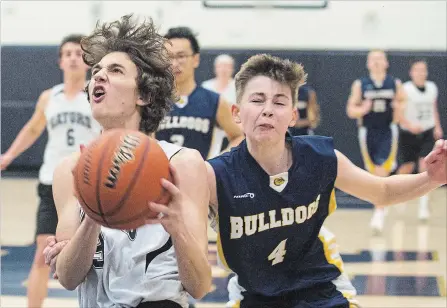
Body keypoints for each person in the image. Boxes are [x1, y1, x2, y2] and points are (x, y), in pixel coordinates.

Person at [203, 54, 444, 307]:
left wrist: (433, 178)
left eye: (279, 102)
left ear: (293, 116)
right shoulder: (215, 175)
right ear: (236, 113)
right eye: (257, 100)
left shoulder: (320, 157)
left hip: (322, 289)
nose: (268, 110)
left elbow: (381, 190)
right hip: (253, 294)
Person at [43, 15, 211, 308]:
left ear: (144, 94)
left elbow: (199, 286)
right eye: (96, 70)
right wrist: (93, 215)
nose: (98, 76)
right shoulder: (71, 170)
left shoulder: (184, 164)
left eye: (115, 69)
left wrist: (178, 230)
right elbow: (68, 278)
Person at [0, 34, 101, 308]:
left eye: (78, 53)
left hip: (88, 184)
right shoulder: (50, 97)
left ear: (88, 62)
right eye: (67, 53)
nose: (72, 58)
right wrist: (9, 155)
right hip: (51, 182)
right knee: (42, 254)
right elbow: (33, 128)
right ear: (60, 61)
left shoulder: (97, 95)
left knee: (95, 257)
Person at [156, 27, 243, 160]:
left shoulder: (214, 100)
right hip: (159, 175)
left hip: (199, 177)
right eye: (169, 57)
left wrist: (217, 163)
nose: (174, 63)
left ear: (195, 59)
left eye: (181, 56)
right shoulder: (153, 100)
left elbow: (239, 136)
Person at [346, 49, 407, 234]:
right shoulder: (361, 84)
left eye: (380, 59)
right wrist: (362, 109)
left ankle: (378, 213)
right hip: (367, 131)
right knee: (373, 173)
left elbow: (401, 109)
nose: (377, 62)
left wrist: (398, 108)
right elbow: (351, 110)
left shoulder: (395, 83)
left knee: (382, 170)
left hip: (387, 130)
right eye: (373, 59)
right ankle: (383, 202)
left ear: (387, 62)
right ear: (368, 63)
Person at [396, 58, 444, 220]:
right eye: (417, 70)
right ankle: (398, 198)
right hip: (408, 133)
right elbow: (398, 114)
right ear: (411, 72)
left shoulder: (432, 87)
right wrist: (409, 125)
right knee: (407, 167)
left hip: (427, 131)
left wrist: (437, 126)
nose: (421, 73)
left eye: (423, 69)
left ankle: (423, 205)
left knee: (424, 165)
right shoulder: (405, 89)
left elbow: (433, 107)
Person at [202, 54, 238, 153]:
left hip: (232, 127)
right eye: (221, 66)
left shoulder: (238, 87)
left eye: (227, 66)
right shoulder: (206, 86)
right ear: (215, 68)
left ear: (232, 69)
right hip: (211, 128)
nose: (223, 70)